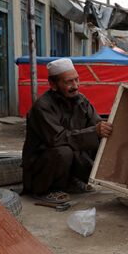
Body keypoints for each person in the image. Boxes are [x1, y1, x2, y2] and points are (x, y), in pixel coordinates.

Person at [21, 58, 113, 203]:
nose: (75, 86)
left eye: (76, 80)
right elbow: (58, 139)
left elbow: (96, 125)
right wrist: (94, 132)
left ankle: (70, 181)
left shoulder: (81, 101)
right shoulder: (43, 106)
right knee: (64, 151)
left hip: (67, 160)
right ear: (53, 85)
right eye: (69, 82)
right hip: (41, 166)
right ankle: (45, 189)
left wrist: (105, 129)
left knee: (92, 142)